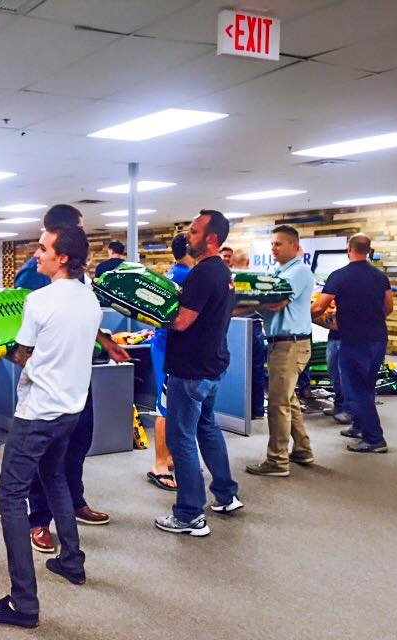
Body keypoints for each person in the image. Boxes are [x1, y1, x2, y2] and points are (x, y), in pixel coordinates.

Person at [0, 225, 101, 629]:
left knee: (10, 495)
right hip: (71, 409)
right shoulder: (91, 299)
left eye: (44, 249)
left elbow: (21, 354)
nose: (36, 254)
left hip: (37, 413)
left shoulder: (39, 300)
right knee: (54, 478)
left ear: (63, 257)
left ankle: (23, 603)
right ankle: (71, 560)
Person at [16, 205, 129, 557]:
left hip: (79, 375)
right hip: (47, 382)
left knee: (79, 441)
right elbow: (19, 323)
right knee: (43, 455)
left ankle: (75, 500)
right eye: (78, 228)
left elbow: (81, 315)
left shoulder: (79, 276)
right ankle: (39, 520)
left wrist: (106, 341)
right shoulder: (33, 274)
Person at [154, 210, 242, 537]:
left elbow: (181, 322)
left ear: (211, 239)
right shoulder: (222, 272)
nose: (187, 237)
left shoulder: (203, 273)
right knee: (207, 428)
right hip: (211, 367)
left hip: (190, 371)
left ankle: (190, 514)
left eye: (193, 232)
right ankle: (226, 494)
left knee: (181, 438)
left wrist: (149, 310)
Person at [312, 233, 393, 453]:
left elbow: (319, 307)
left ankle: (375, 438)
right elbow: (389, 307)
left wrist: (314, 317)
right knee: (366, 386)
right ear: (369, 250)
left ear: (349, 248)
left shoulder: (339, 276)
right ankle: (359, 427)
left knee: (355, 390)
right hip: (377, 338)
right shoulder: (379, 276)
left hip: (353, 340)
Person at [246, 225, 315, 477]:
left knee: (277, 403)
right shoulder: (277, 271)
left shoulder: (298, 271)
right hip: (279, 343)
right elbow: (262, 301)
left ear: (294, 246)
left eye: (278, 244)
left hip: (291, 344)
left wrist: (240, 304)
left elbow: (276, 303)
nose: (273, 248)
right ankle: (303, 450)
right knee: (288, 399)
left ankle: (277, 461)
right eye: (272, 244)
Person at [146, 232, 193, 492]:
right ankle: (160, 465)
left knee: (172, 405)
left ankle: (171, 457)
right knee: (164, 406)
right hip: (168, 347)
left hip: (169, 346)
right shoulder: (185, 276)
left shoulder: (175, 273)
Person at [227, 249, 266, 418]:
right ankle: (257, 410)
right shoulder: (256, 279)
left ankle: (242, 412)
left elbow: (230, 307)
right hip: (256, 328)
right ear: (248, 262)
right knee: (257, 371)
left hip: (237, 330)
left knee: (238, 371)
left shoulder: (232, 280)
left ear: (232, 263)